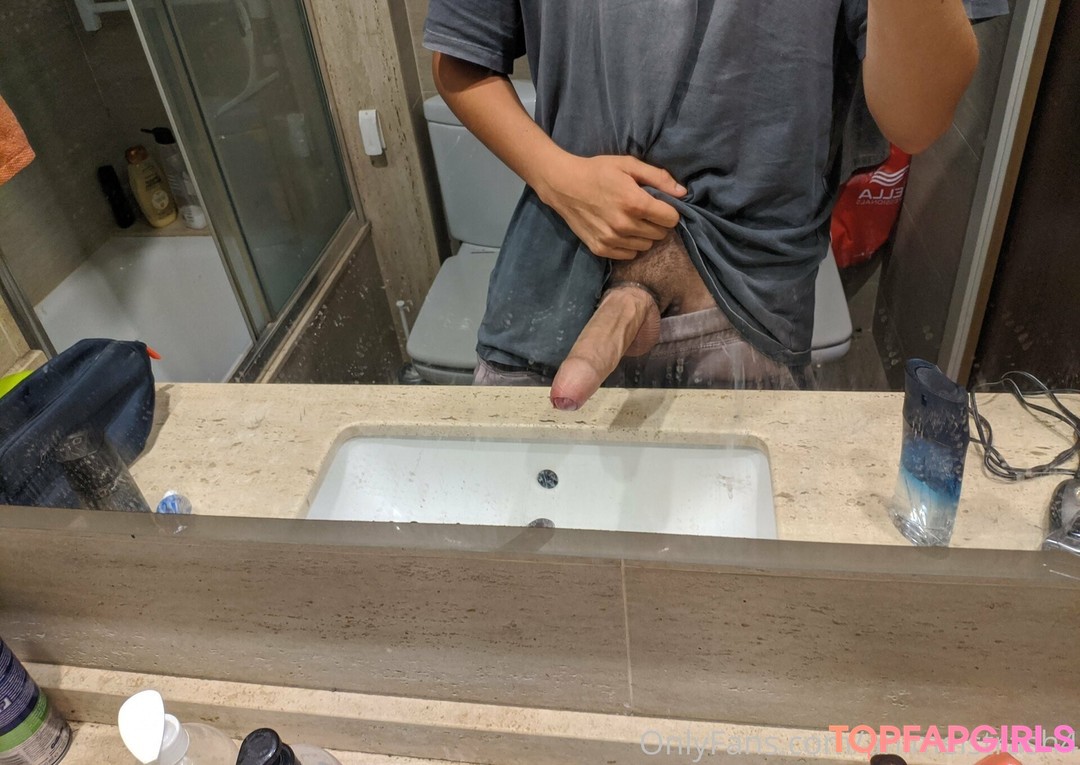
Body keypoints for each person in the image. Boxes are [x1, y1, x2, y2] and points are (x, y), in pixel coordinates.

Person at [424, 0, 1009, 410]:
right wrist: (557, 177)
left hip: (741, 308)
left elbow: (918, 120)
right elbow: (461, 57)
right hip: (555, 288)